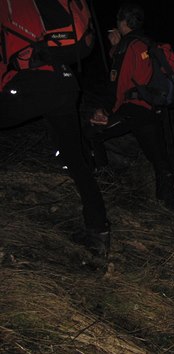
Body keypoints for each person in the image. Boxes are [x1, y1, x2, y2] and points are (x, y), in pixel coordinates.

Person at [0, 0, 110, 257]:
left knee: (75, 158)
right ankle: (98, 232)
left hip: (35, 82)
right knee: (76, 160)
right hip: (65, 82)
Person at [85, 2, 174, 209]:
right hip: (150, 110)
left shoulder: (129, 45)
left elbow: (120, 81)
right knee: (159, 160)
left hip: (133, 109)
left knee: (93, 132)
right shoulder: (146, 43)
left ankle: (102, 177)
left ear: (123, 22)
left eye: (118, 20)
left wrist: (108, 111)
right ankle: (169, 203)